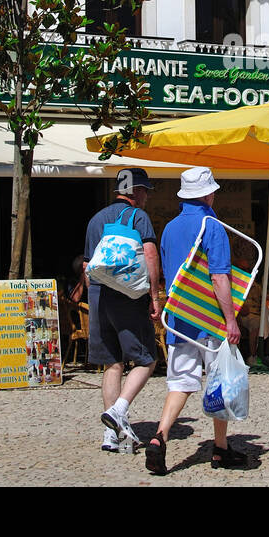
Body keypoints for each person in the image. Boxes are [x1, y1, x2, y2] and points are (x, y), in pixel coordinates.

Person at [144, 166, 244, 474]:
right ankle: (220, 449)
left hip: (179, 318)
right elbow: (219, 277)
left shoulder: (170, 228)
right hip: (208, 318)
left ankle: (160, 436)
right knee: (220, 381)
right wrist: (231, 319)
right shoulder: (211, 225)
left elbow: (164, 271)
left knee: (181, 382)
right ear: (208, 193)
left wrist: (159, 302)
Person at [84, 167, 162, 454]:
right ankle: (119, 410)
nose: (146, 198)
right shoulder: (138, 217)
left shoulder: (95, 220)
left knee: (112, 363)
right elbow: (150, 254)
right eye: (145, 191)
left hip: (99, 297)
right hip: (127, 298)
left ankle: (110, 435)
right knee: (147, 359)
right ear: (136, 191)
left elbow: (87, 267)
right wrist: (154, 295)